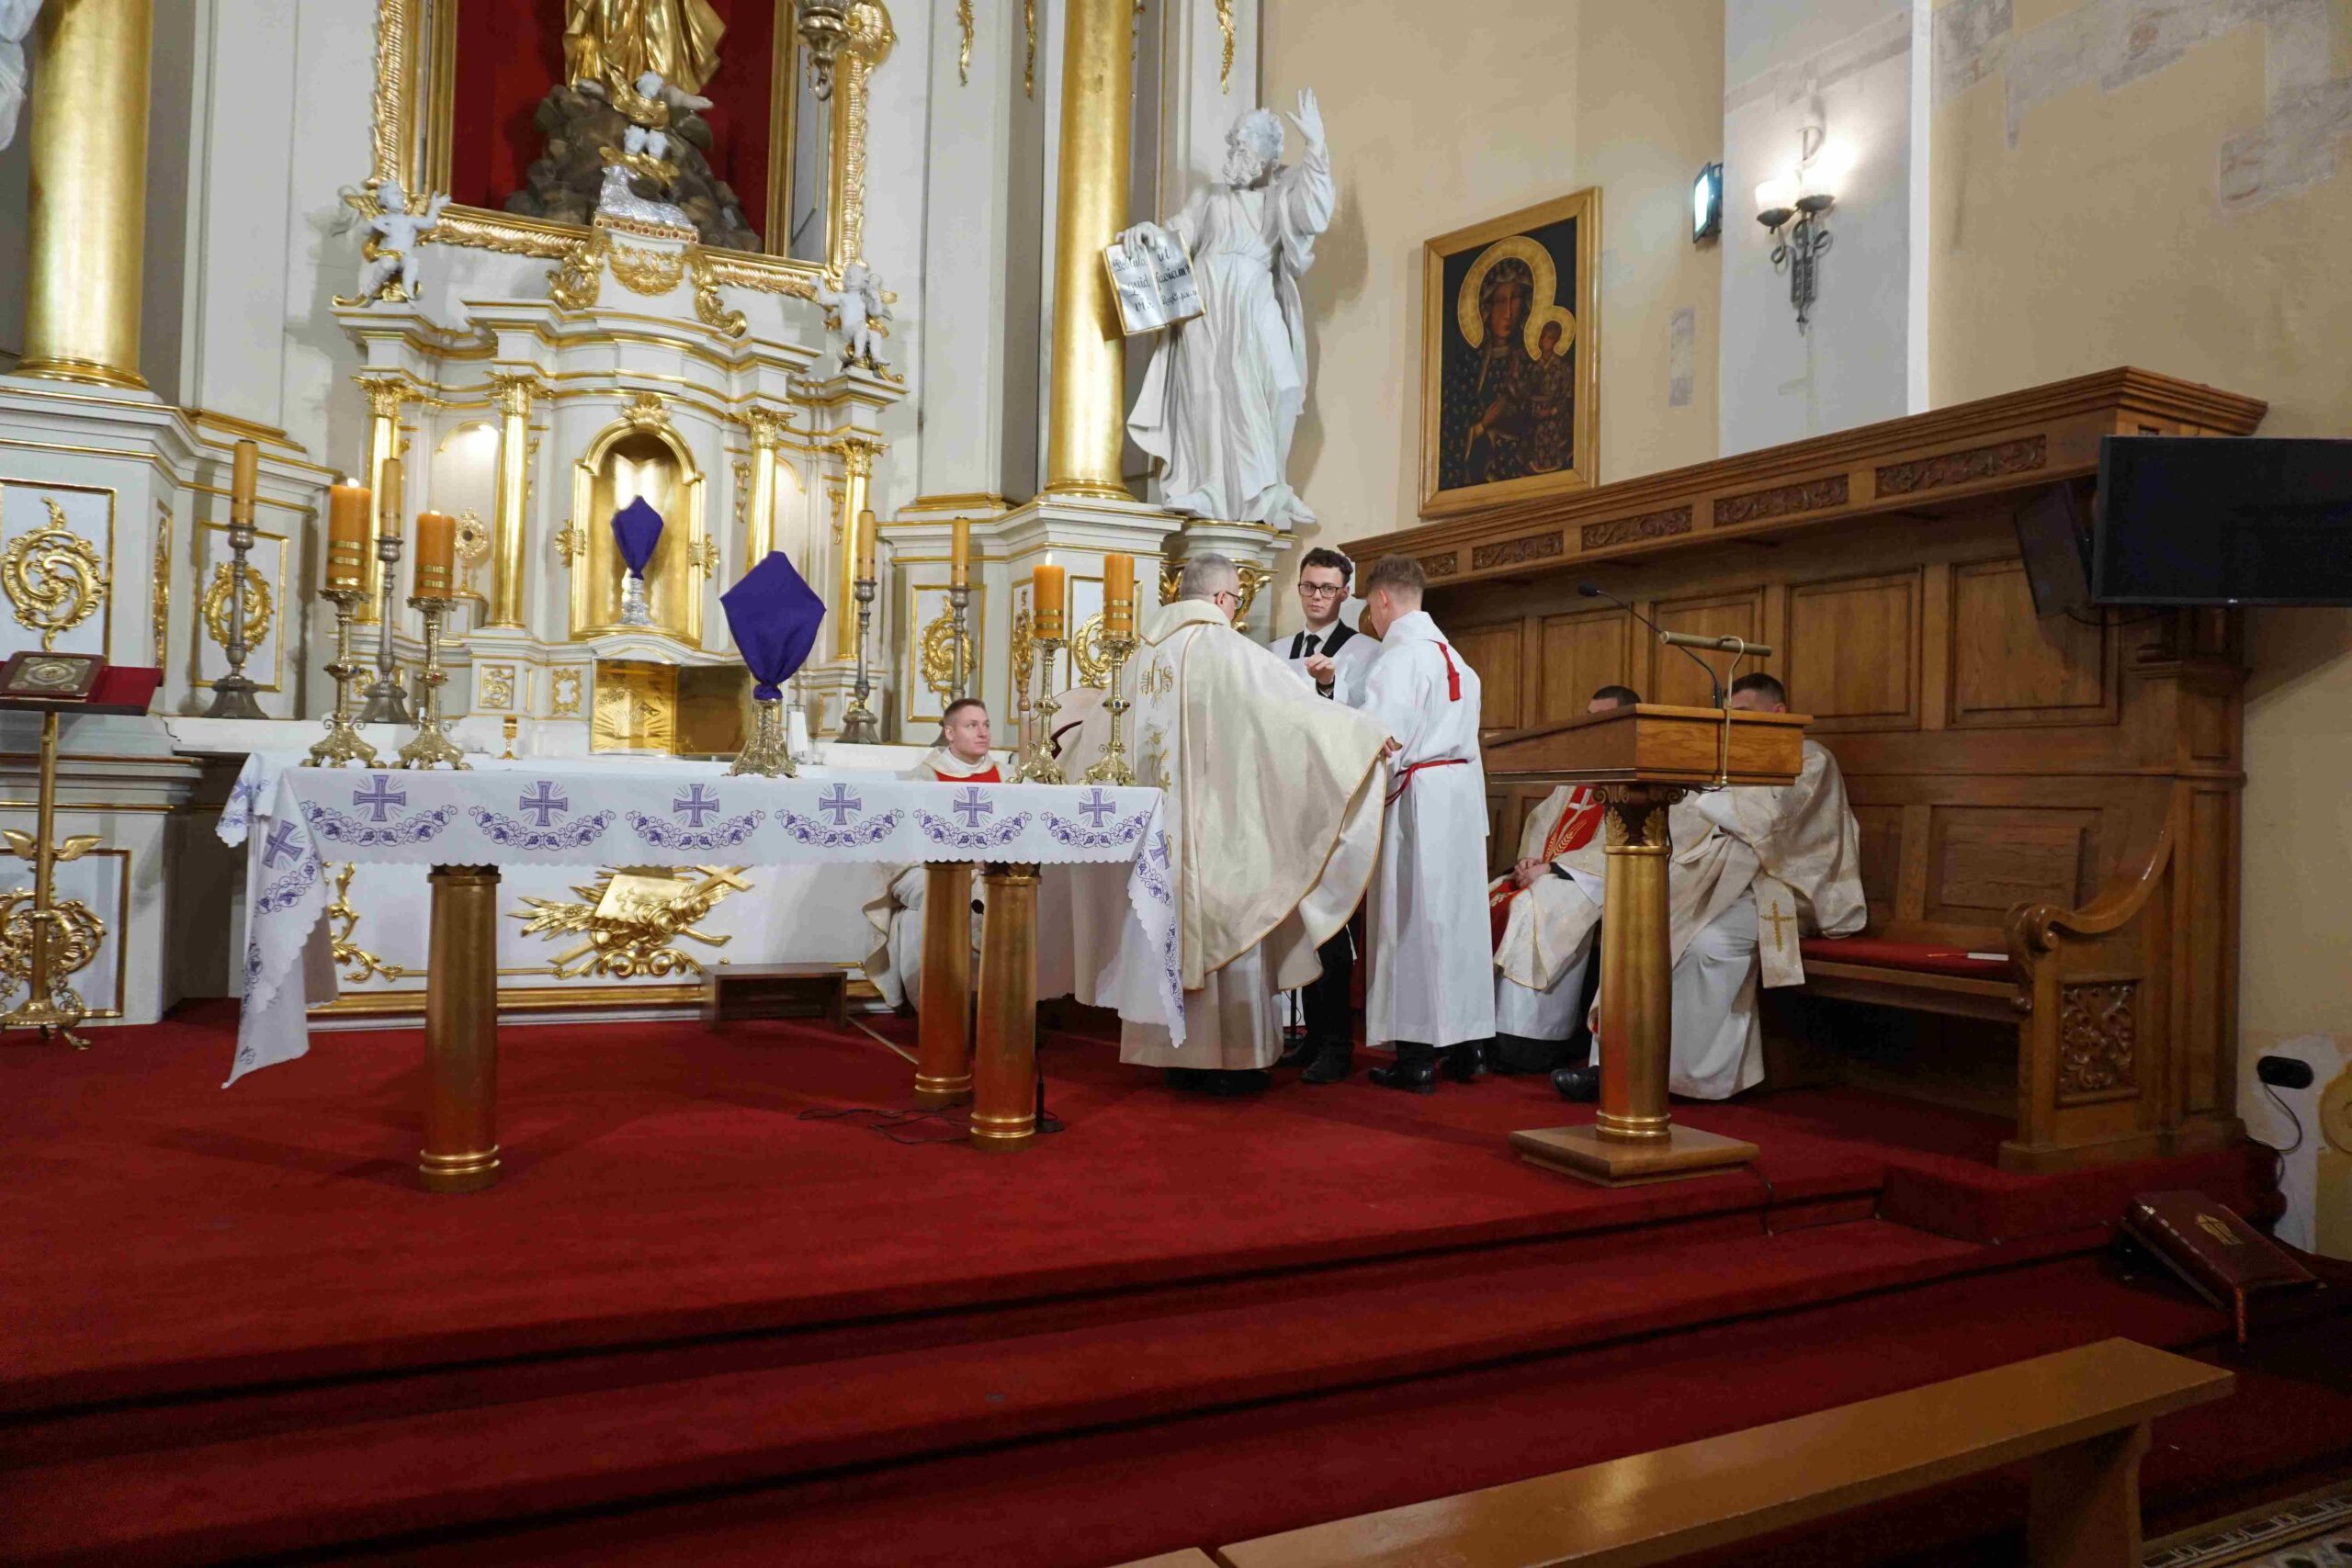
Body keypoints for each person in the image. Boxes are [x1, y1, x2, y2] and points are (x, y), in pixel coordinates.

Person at [1069, 554, 1388, 1094]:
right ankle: (1228, 1061)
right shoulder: (1230, 651)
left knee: (1165, 925)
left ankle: (1172, 1055)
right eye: (1237, 600)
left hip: (1156, 835)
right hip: (1219, 824)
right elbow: (1293, 714)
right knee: (1231, 914)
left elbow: (1100, 736)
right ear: (1221, 599)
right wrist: (1364, 736)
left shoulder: (1139, 657)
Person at [1556, 671, 1866, 1102]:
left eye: (1745, 713)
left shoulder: (1809, 757)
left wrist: (1705, 790)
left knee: (1707, 947)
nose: (1733, 724)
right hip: (1714, 879)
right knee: (1639, 934)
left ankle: (1687, 1079)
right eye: (1729, 715)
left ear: (1778, 712)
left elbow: (1770, 821)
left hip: (1777, 888)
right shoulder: (1724, 759)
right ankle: (1612, 1067)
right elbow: (1688, 821)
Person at [1121, 91, 1334, 531]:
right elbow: (1177, 233)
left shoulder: (1282, 194)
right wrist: (1149, 231)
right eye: (1233, 142)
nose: (1234, 150)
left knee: (1283, 383)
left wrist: (1316, 146)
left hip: (1253, 295)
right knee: (1207, 391)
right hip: (1205, 298)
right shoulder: (1211, 196)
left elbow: (1313, 215)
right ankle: (1208, 488)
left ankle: (1271, 487)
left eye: (1242, 142)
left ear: (1266, 152)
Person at [1348, 555, 1496, 1092]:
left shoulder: (1400, 659)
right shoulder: (1457, 659)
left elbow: (1381, 740)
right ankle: (1467, 1049)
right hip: (1459, 797)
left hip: (1419, 801)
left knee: (1412, 920)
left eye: (1371, 607)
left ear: (1382, 599)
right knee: (1457, 925)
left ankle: (1415, 1058)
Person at [1268, 547, 1379, 1082]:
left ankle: (1337, 1043)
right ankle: (1311, 1035)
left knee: (1332, 923)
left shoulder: (1366, 652)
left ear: (1345, 593)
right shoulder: (1275, 651)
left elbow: (1365, 727)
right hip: (1288, 799)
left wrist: (1331, 687)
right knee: (1297, 922)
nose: (1317, 596)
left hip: (1338, 803)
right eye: (1309, 586)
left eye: (1328, 588)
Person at [1488, 684, 1638, 1077]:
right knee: (1492, 895)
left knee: (1533, 905)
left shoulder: (1637, 772)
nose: (1589, 727)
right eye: (1588, 718)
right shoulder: (1582, 768)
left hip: (1600, 878)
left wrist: (1552, 869)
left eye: (1600, 719)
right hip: (1559, 872)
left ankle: (1530, 1039)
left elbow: (1620, 842)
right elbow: (1544, 820)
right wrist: (1531, 861)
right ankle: (1485, 1029)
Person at [862, 698, 1001, 1010]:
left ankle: (1003, 997)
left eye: (986, 725)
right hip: (923, 868)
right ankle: (937, 1003)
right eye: (972, 726)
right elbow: (903, 843)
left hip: (990, 868)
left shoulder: (1007, 776)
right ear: (950, 733)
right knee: (943, 892)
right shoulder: (923, 778)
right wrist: (967, 861)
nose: (983, 733)